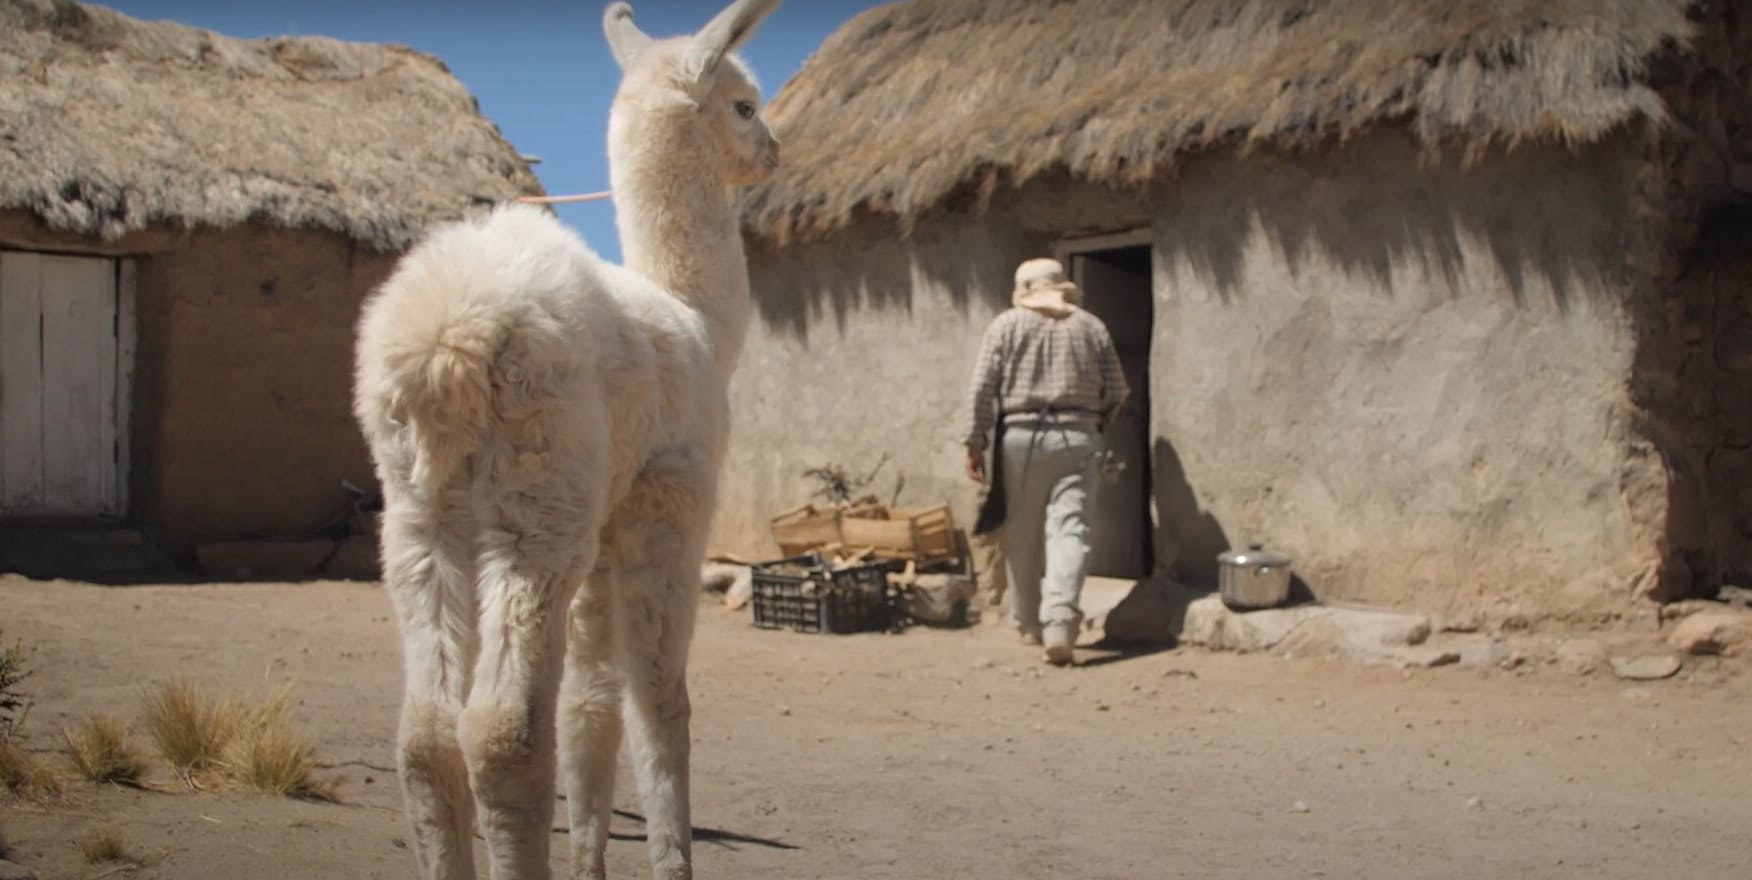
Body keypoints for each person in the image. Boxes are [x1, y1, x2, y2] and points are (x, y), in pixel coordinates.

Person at [960, 257, 1129, 665]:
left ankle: (1028, 624)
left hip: (1019, 438)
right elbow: (1118, 389)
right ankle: (1060, 624)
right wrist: (1098, 421)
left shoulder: (1006, 325)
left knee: (1022, 533)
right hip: (1079, 435)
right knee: (1070, 531)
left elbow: (983, 387)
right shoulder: (1091, 326)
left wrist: (974, 441)